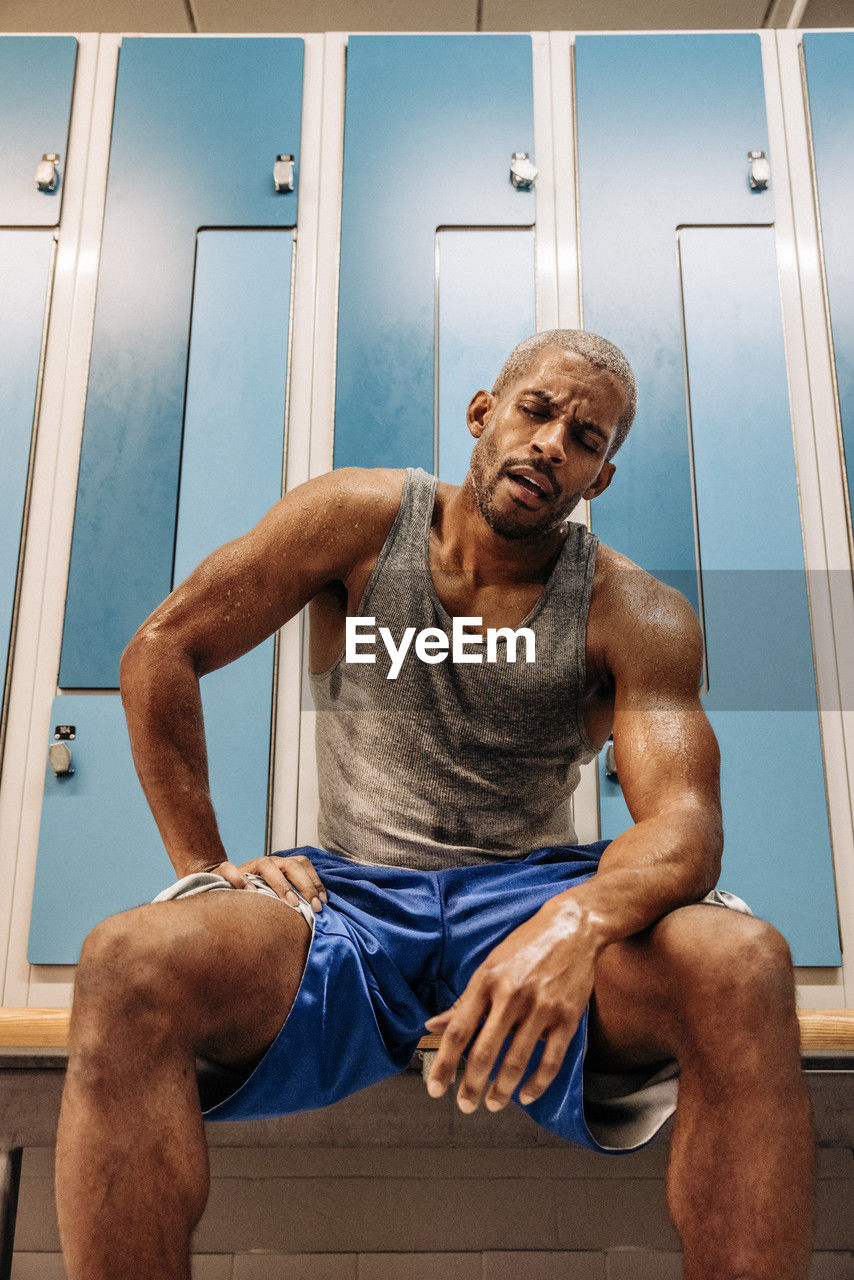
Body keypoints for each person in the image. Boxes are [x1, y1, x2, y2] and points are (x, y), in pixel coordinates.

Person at [54, 329, 815, 1280]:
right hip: (349, 899)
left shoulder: (637, 612)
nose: (551, 444)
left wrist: (574, 924)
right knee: (125, 961)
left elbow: (685, 825)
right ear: (482, 414)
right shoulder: (361, 521)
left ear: (599, 480)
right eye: (537, 411)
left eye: (585, 439)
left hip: (532, 897)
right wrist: (205, 869)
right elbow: (162, 648)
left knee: (742, 964)